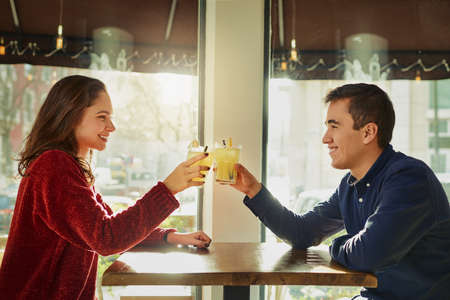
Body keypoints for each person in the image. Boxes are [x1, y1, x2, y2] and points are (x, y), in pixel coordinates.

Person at [0, 75, 212, 299]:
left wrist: (168, 238)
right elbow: (106, 237)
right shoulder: (54, 165)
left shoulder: (68, 167)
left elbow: (113, 226)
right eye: (102, 117)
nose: (111, 127)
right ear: (70, 117)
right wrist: (168, 189)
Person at [231, 83, 450, 299]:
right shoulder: (351, 184)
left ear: (368, 132)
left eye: (334, 126)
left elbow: (368, 254)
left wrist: (335, 245)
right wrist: (253, 189)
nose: (325, 138)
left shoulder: (409, 179)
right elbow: (302, 232)